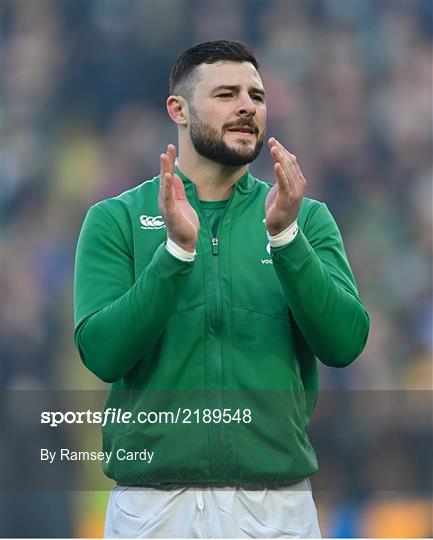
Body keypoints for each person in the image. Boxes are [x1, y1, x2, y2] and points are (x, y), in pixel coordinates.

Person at [74, 40, 370, 538]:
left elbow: (345, 344)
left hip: (274, 508)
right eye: (227, 94)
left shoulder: (304, 217)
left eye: (256, 96)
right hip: (154, 508)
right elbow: (102, 353)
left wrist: (286, 239)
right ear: (179, 109)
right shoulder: (116, 219)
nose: (247, 107)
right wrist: (174, 254)